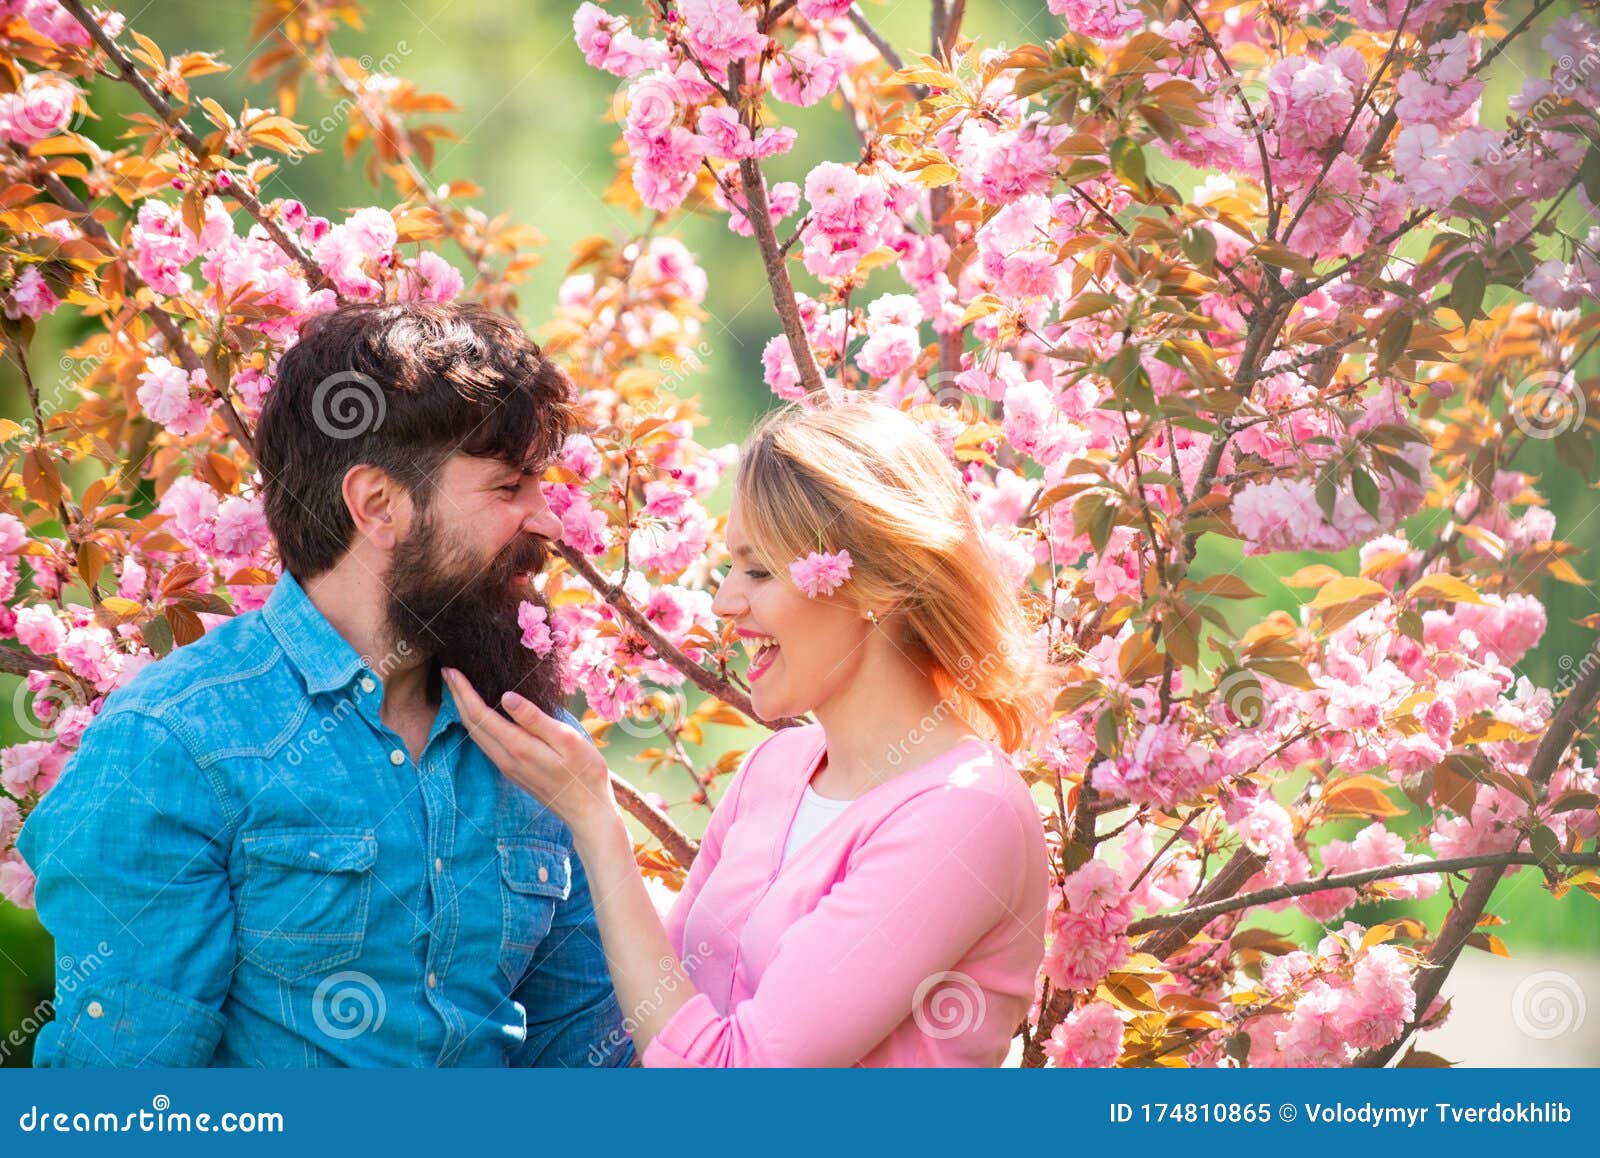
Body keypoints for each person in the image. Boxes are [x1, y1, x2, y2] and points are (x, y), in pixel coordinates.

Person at [18, 301, 633, 1067]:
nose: (549, 521)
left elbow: (587, 1073)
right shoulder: (173, 745)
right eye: (510, 488)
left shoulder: (542, 746)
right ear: (377, 505)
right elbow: (123, 1108)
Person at [448, 397, 1055, 1066]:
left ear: (881, 584)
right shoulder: (778, 768)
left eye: (760, 571)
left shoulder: (963, 816)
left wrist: (597, 822)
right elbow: (651, 1015)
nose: (724, 602)